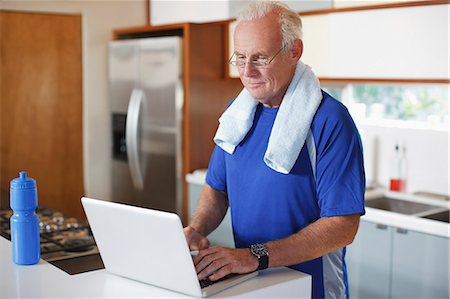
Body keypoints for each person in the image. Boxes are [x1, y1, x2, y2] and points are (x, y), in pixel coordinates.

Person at [184, 1, 365, 298]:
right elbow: (217, 188)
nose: (247, 71)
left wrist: (254, 255)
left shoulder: (330, 120)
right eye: (240, 57)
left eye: (260, 58)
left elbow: (343, 226)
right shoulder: (237, 114)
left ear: (294, 52)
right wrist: (197, 229)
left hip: (312, 289)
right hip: (250, 286)